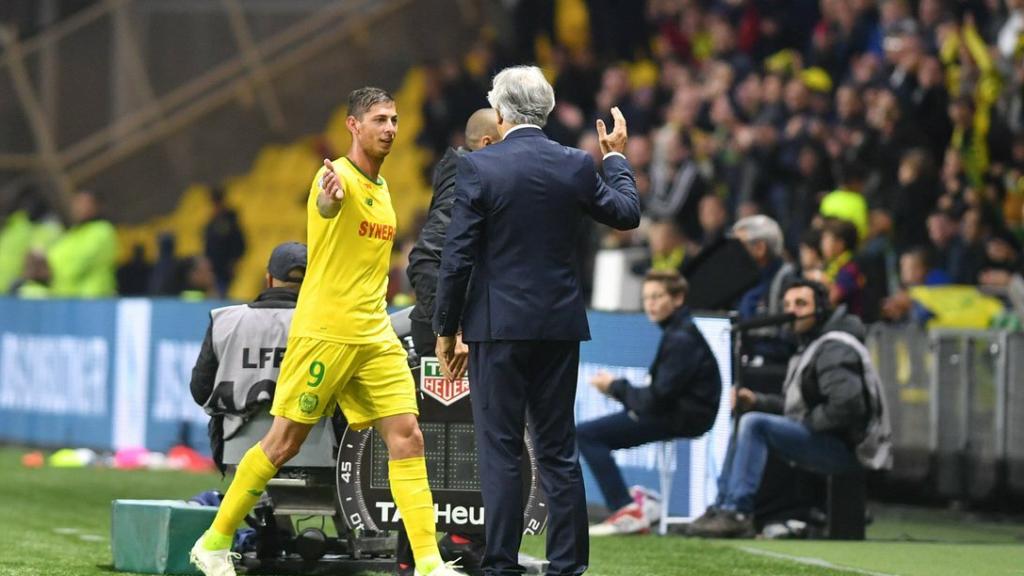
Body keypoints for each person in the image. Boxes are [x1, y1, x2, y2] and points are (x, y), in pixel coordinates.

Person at [190, 87, 466, 576]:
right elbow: (325, 204)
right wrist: (327, 199)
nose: (390, 128)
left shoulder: (383, 192)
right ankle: (213, 541)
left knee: (408, 437)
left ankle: (428, 563)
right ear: (353, 125)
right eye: (379, 119)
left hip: (373, 334)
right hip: (327, 333)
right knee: (284, 442)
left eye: (395, 119)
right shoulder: (334, 175)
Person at [433, 66, 640, 576]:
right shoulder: (574, 164)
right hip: (557, 327)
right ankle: (567, 567)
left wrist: (445, 328)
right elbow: (626, 213)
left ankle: (500, 564)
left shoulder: (480, 167)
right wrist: (614, 158)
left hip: (496, 328)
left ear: (499, 115)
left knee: (500, 450)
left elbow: (456, 258)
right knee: (558, 450)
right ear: (545, 111)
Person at [688, 278, 892, 538]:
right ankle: (722, 507)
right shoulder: (814, 342)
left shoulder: (834, 347)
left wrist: (805, 425)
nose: (791, 311)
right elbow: (803, 408)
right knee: (747, 416)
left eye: (800, 303)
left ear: (820, 308)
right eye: (787, 304)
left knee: (754, 424)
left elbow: (847, 406)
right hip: (829, 439)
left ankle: (737, 512)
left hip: (847, 450)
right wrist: (758, 401)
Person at [399, 107, 501, 576]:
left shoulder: (469, 174)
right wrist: (450, 331)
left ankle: (457, 544)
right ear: (486, 145)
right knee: (438, 443)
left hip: (456, 324)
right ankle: (436, 549)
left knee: (448, 442)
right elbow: (426, 258)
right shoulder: (467, 176)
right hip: (449, 332)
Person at [580, 269, 721, 536]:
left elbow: (655, 399)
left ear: (678, 299)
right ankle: (640, 502)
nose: (651, 304)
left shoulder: (681, 338)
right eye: (647, 298)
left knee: (586, 435)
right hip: (679, 411)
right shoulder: (679, 331)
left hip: (681, 416)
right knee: (590, 432)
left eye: (657, 297)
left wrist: (615, 387)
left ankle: (626, 509)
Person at [189, 242, 307, 473]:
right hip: (313, 449)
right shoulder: (329, 324)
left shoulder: (225, 320)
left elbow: (200, 390)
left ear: (269, 279)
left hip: (238, 451)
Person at [46, 190, 118, 297]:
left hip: (91, 301)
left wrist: (47, 268)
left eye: (84, 203)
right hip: (65, 300)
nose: (78, 207)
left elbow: (75, 265)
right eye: (76, 203)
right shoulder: (73, 233)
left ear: (97, 207)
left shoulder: (102, 230)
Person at [204, 186, 246, 298]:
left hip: (225, 267)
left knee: (221, 293)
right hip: (214, 267)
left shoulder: (229, 222)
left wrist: (233, 261)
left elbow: (240, 243)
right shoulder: (213, 221)